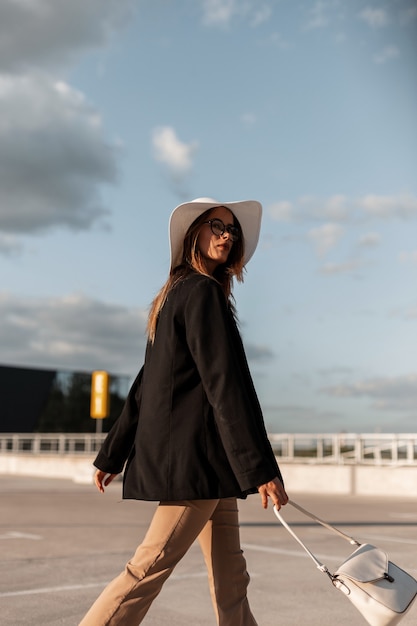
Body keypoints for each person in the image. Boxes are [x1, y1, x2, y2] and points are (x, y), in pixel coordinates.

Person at [79, 197, 288, 626]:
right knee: (145, 571)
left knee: (231, 581)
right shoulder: (202, 293)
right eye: (217, 225)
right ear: (194, 232)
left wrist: (111, 453)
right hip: (197, 462)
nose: (227, 235)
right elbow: (225, 387)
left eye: (232, 230)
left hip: (212, 468)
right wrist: (262, 466)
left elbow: (144, 385)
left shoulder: (175, 295)